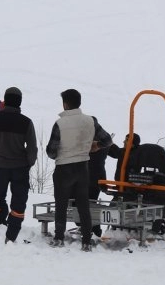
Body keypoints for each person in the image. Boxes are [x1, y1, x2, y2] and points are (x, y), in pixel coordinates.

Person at [45, 88, 112, 250]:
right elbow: (108, 140)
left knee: (61, 205)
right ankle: (87, 241)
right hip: (83, 168)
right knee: (83, 205)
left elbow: (51, 151)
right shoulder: (90, 121)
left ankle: (59, 238)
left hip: (63, 168)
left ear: (65, 104)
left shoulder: (60, 123)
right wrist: (96, 145)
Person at [0, 86, 37, 244]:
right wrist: (28, 163)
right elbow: (32, 148)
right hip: (20, 168)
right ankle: (11, 238)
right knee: (18, 203)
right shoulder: (26, 122)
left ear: (5, 99)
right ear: (20, 102)